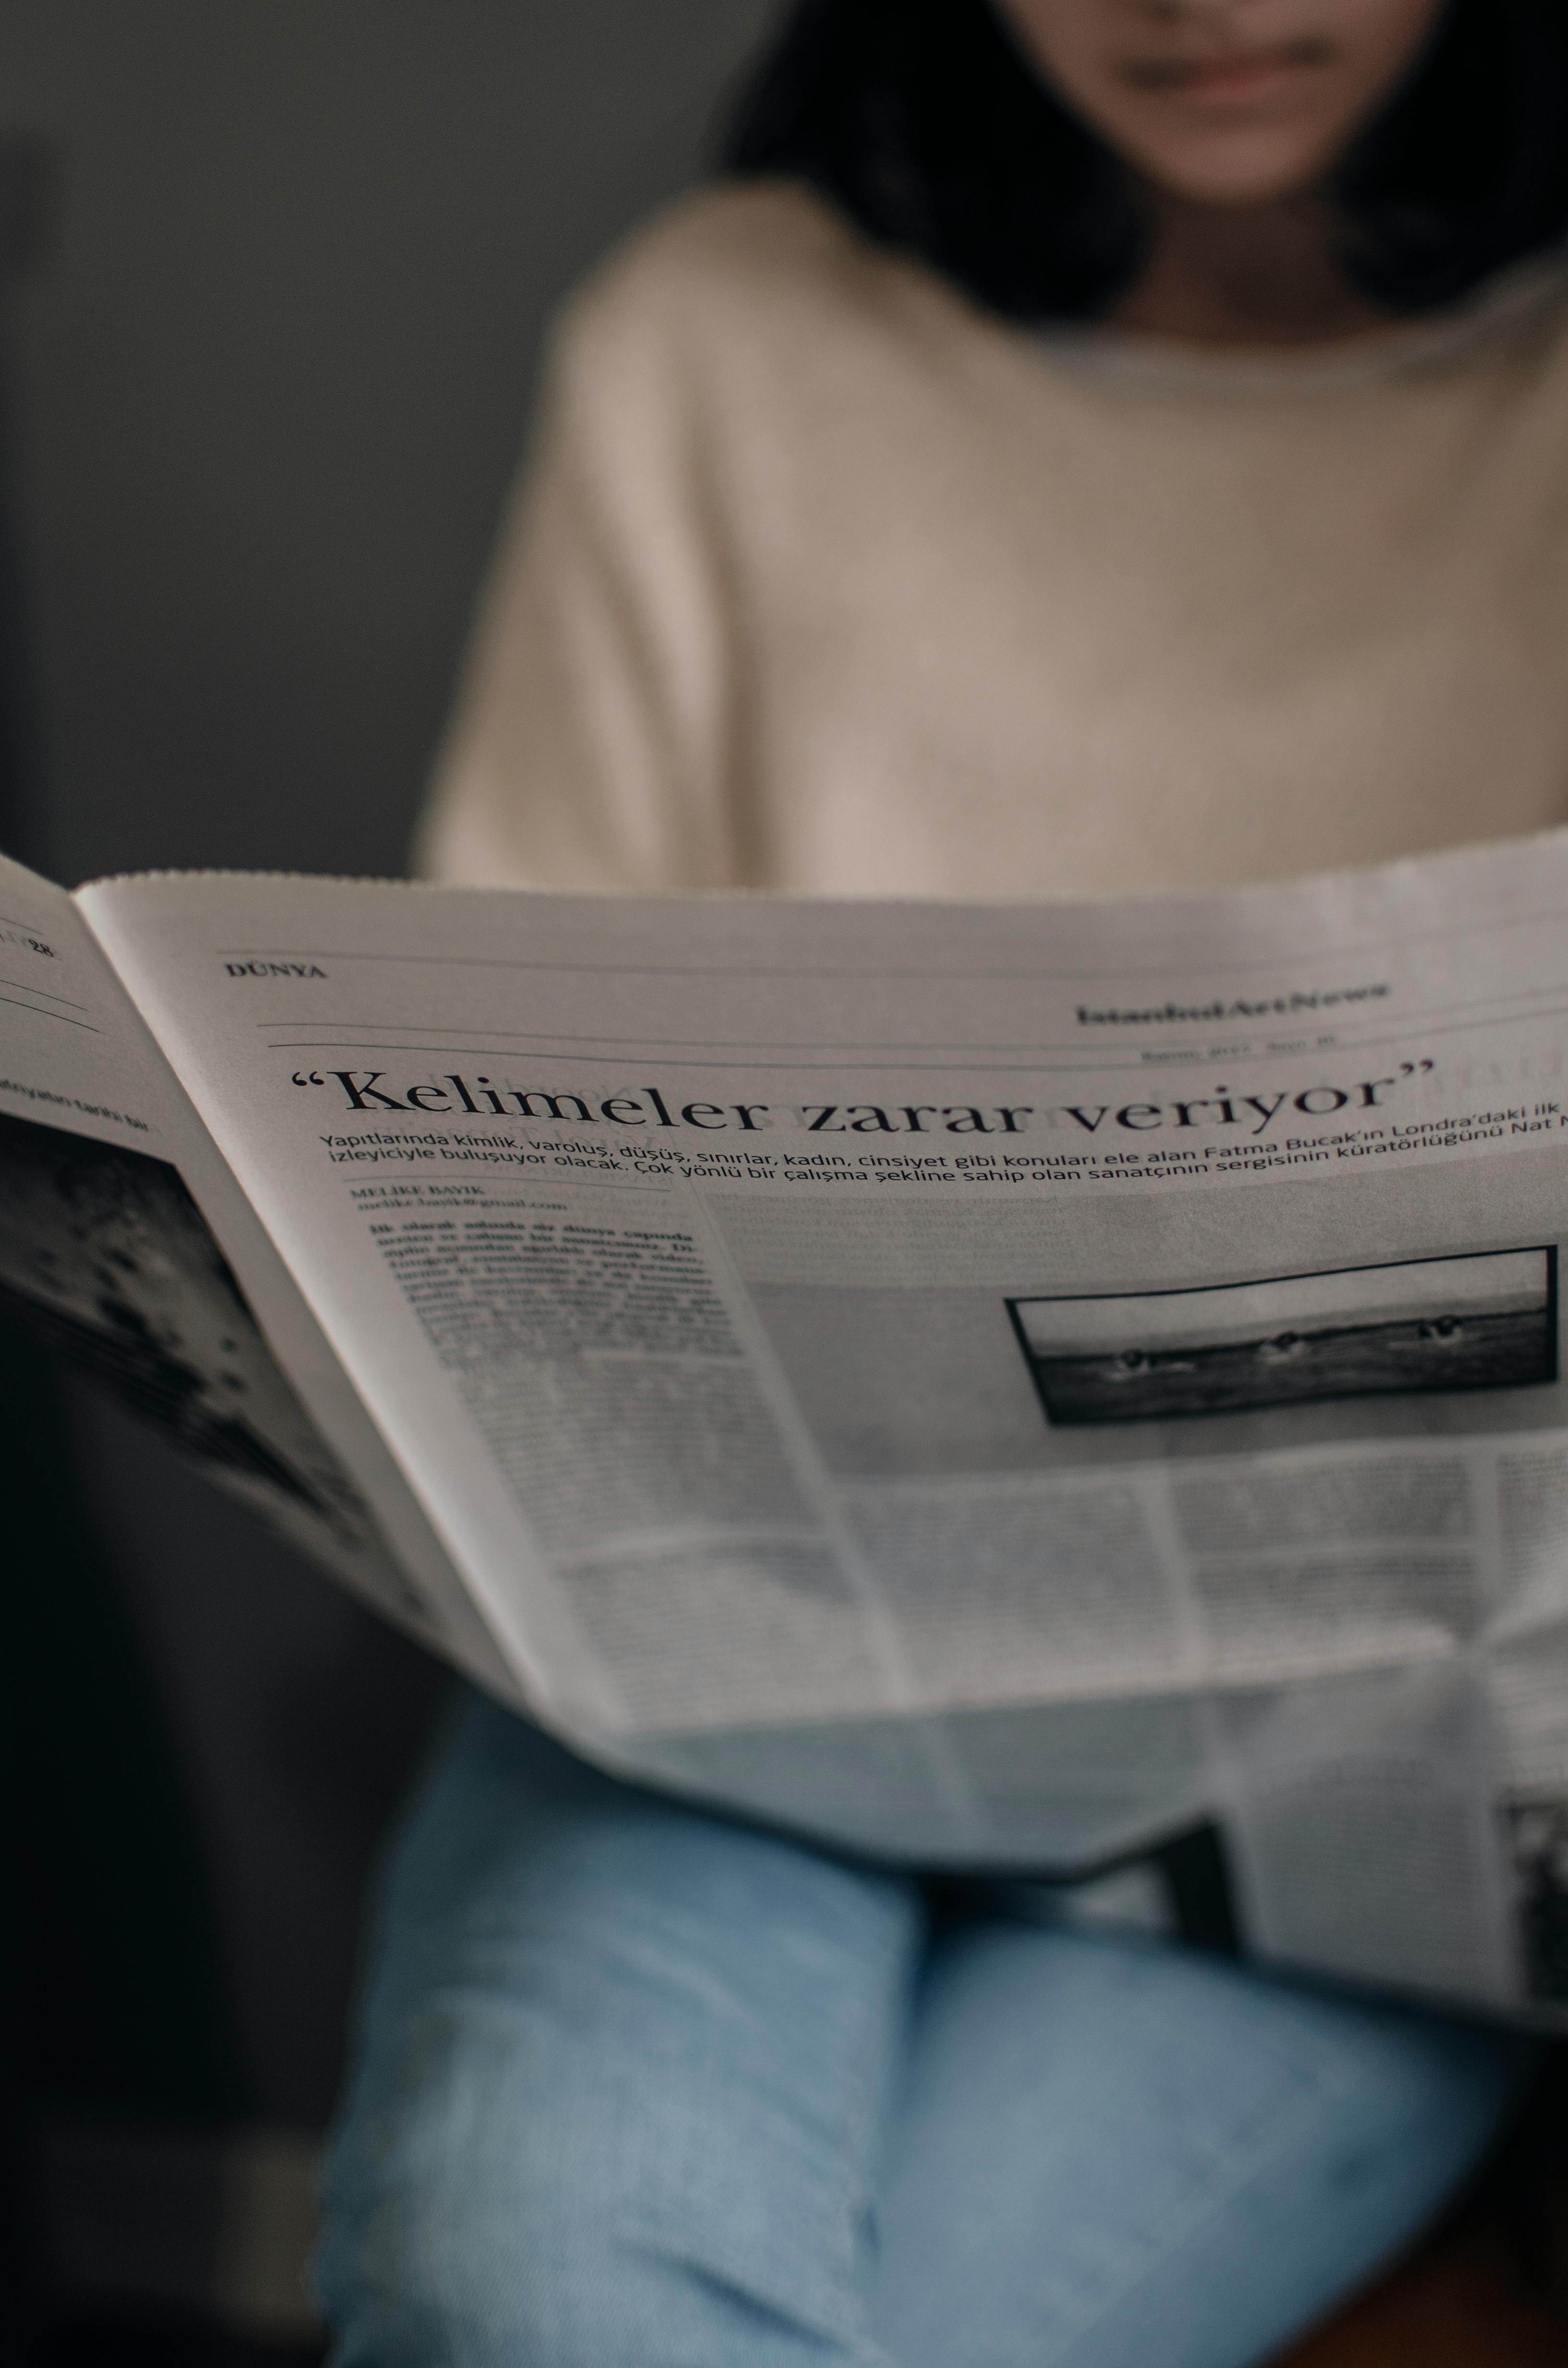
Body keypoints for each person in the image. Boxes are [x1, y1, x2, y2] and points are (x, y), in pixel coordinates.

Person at [316, 6, 1568, 2362]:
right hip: (739, 1674)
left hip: (1345, 1799)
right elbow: (506, 1054)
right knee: (531, 2283)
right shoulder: (719, 337)